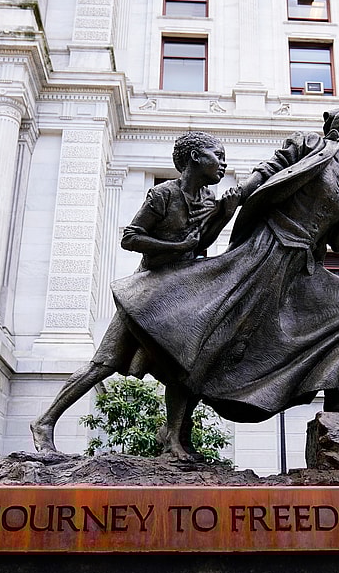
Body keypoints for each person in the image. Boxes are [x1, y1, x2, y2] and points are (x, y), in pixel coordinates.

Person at [113, 108, 339, 424]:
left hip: (302, 266)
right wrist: (229, 205)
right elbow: (269, 171)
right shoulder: (311, 144)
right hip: (269, 248)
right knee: (224, 334)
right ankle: (176, 429)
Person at [31, 131, 240, 459]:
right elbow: (130, 238)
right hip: (144, 295)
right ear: (196, 158)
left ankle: (173, 439)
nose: (223, 162)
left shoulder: (209, 201)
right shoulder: (162, 195)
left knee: (185, 370)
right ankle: (44, 422)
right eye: (218, 153)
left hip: (179, 297)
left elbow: (199, 244)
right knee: (104, 364)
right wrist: (174, 247)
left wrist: (224, 215)